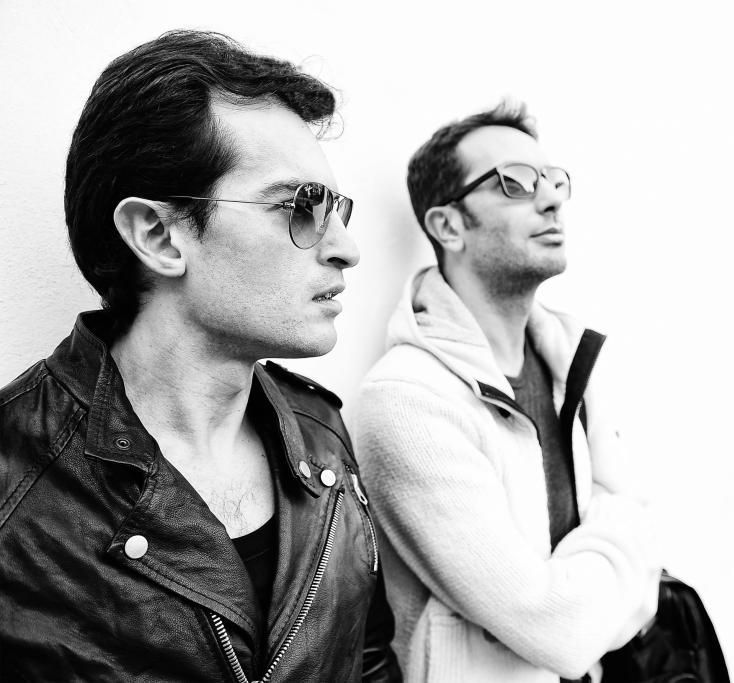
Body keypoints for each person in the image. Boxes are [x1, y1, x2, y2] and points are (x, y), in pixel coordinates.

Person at [0, 30, 401, 682]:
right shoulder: (14, 479)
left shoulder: (321, 435)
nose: (345, 248)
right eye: (300, 206)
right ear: (159, 235)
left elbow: (368, 659)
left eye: (337, 210)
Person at [353, 101, 660, 683]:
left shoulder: (571, 361)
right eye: (514, 183)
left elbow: (647, 528)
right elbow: (557, 630)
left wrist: (592, 594)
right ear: (448, 226)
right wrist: (613, 578)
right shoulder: (408, 400)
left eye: (553, 180)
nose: (550, 200)